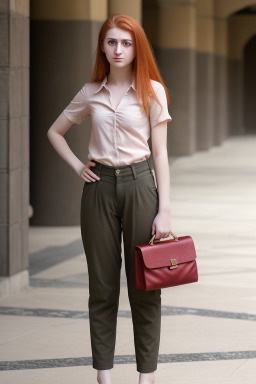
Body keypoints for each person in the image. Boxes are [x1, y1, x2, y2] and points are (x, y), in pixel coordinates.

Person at [47, 13, 172, 384]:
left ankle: (145, 377)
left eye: (127, 42)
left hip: (140, 186)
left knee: (144, 288)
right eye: (113, 42)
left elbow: (161, 154)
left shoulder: (152, 91)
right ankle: (104, 376)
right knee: (101, 287)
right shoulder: (90, 93)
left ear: (137, 48)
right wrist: (76, 167)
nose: (119, 49)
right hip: (98, 188)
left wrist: (164, 210)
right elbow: (55, 131)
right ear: (102, 46)